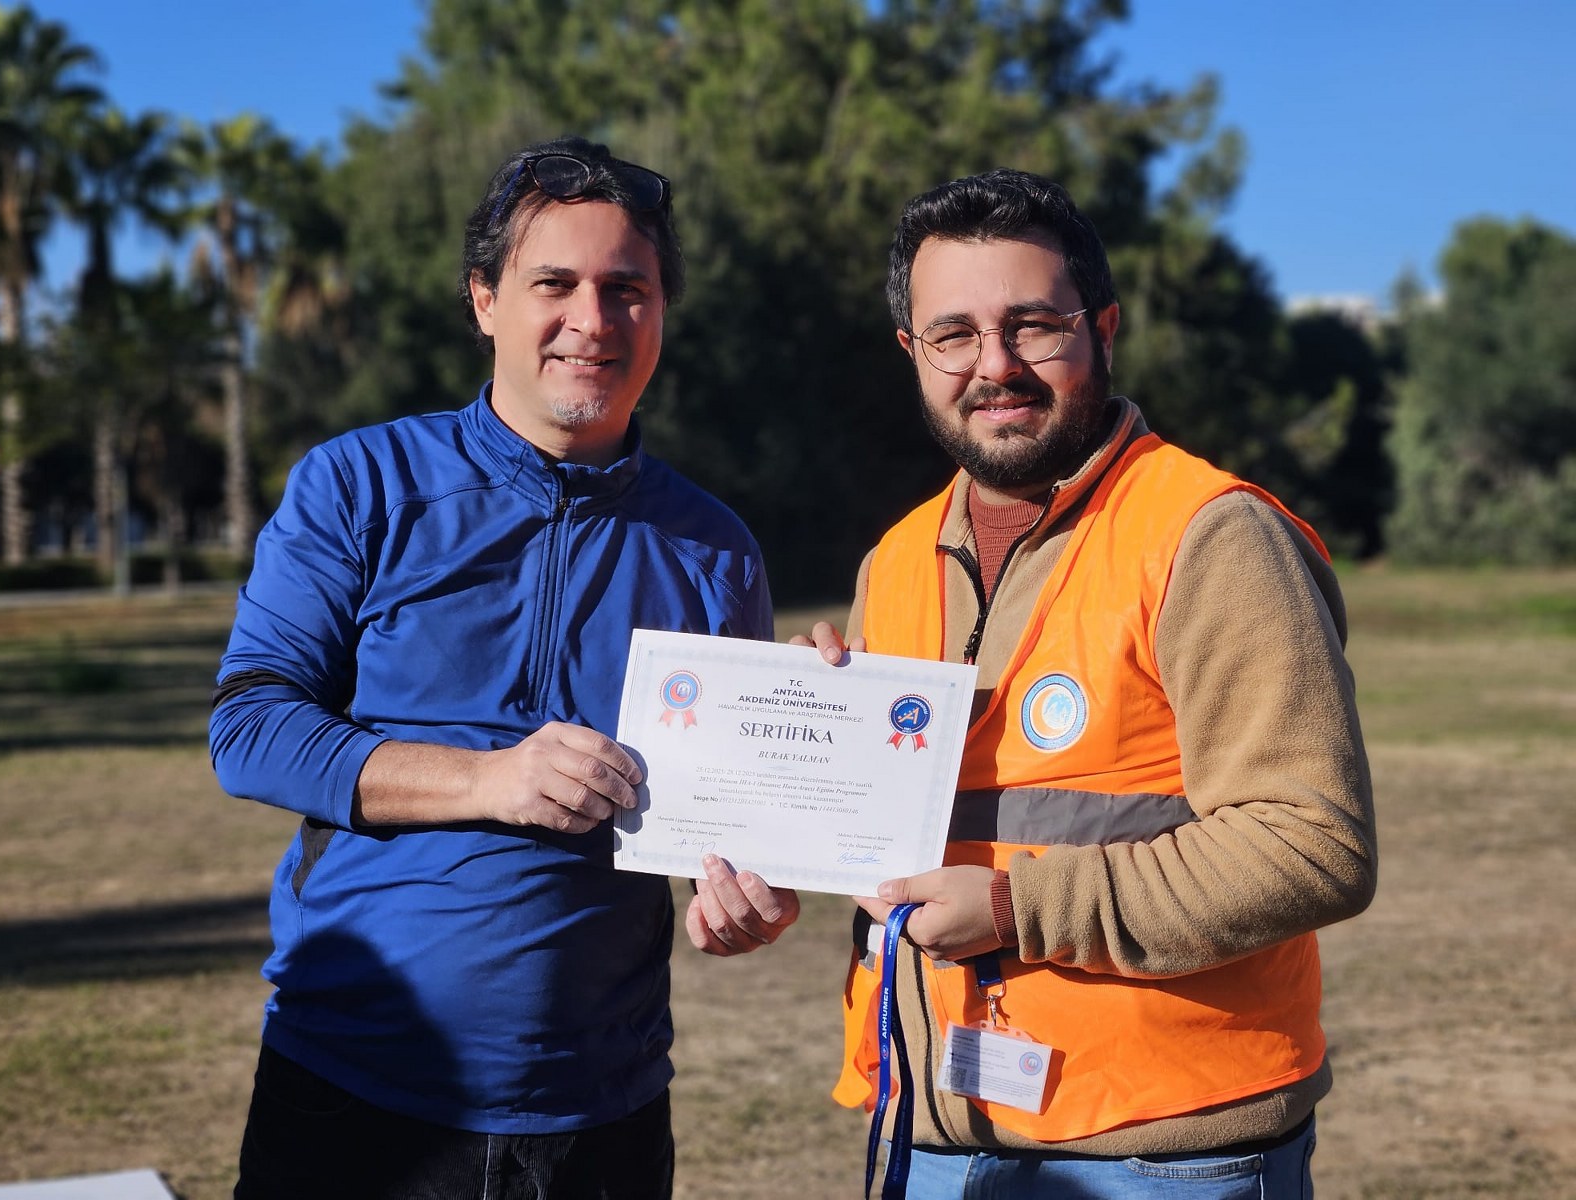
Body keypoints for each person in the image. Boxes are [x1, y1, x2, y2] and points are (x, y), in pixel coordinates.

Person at [210, 135, 798, 1200]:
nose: (592, 320)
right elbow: (250, 729)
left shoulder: (715, 548)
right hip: (354, 1088)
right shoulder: (360, 484)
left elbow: (724, 828)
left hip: (602, 1113)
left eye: (627, 290)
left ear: (662, 312)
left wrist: (744, 895)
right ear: (484, 299)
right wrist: (489, 779)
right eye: (553, 284)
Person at [802, 169, 1377, 1197]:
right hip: (932, 1130)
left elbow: (1310, 846)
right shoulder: (895, 559)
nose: (995, 365)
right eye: (953, 335)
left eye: (1032, 326)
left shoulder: (1209, 534)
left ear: (1101, 328)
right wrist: (794, 776)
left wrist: (1015, 906)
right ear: (911, 352)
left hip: (1165, 1152)